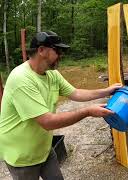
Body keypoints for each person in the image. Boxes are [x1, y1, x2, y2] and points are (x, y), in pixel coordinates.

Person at [0, 31, 121, 180]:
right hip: (22, 155)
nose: (61, 55)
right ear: (41, 50)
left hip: (43, 149)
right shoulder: (21, 79)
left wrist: (106, 91)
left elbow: (75, 93)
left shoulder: (52, 75)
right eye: (57, 50)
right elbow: (47, 122)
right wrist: (88, 111)